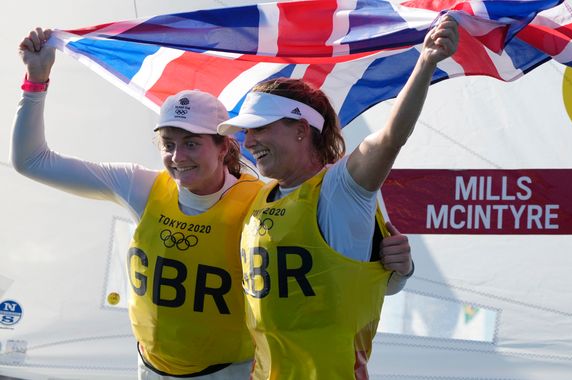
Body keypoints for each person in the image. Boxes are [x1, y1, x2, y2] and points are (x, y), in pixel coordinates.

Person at [12, 28, 415, 380]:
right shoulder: (142, 186)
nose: (178, 156)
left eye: (191, 142)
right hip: (149, 368)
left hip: (232, 373)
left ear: (225, 148)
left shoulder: (263, 197)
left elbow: (345, 268)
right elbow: (32, 161)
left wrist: (398, 270)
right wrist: (36, 80)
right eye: (168, 143)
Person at [216, 15, 459, 379]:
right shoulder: (261, 195)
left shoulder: (340, 189)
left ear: (301, 130)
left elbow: (390, 138)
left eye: (259, 128)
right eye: (245, 132)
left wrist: (425, 62)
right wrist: (399, 273)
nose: (248, 142)